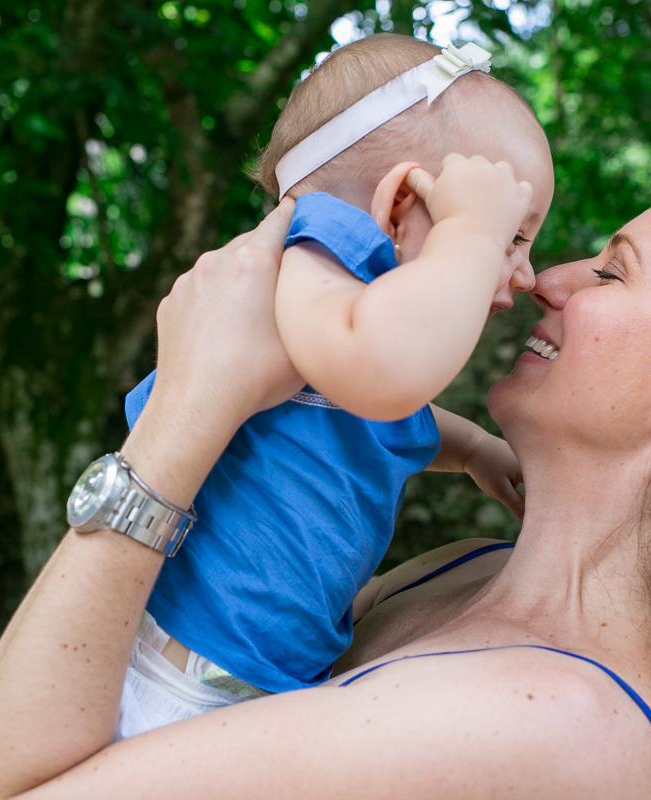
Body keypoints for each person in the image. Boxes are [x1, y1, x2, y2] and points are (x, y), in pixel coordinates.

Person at [0, 160, 651, 800]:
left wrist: (185, 417)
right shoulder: (464, 574)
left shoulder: (549, 720)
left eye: (611, 267)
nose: (552, 279)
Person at [111, 34, 553, 738]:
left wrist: (472, 449)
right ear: (400, 205)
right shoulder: (310, 253)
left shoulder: (352, 327)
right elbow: (380, 378)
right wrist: (470, 234)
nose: (525, 276)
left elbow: (386, 411)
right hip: (180, 684)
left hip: (255, 684)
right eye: (512, 238)